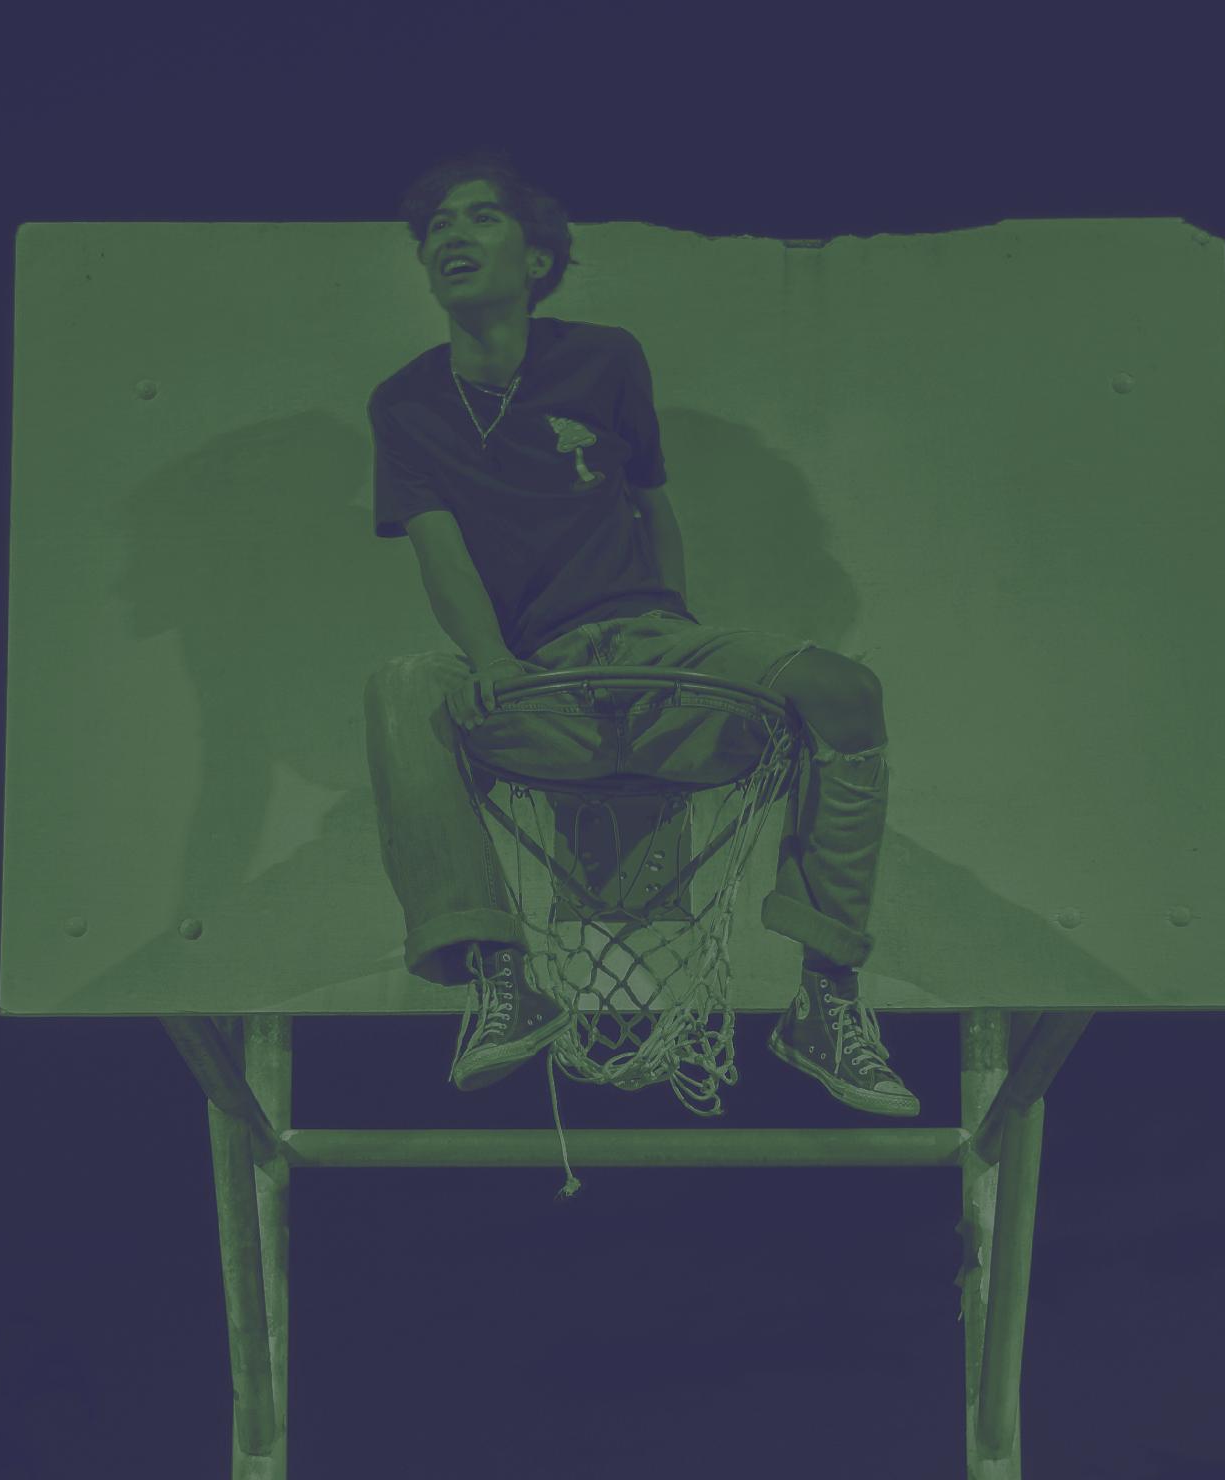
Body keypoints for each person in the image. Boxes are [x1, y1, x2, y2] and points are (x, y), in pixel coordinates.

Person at [362, 163, 919, 1140]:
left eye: (481, 217)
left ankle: (825, 999)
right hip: (536, 681)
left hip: (651, 647)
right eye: (437, 224)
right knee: (404, 684)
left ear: (536, 259)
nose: (452, 234)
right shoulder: (405, 404)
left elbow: (652, 505)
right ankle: (501, 978)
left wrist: (678, 630)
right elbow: (439, 552)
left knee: (844, 689)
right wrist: (489, 658)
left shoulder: (606, 359)